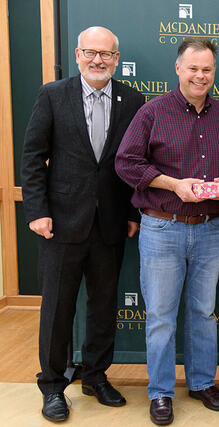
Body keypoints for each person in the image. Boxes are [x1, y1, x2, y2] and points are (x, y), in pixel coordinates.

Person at [21, 26, 145, 422]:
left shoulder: (132, 99)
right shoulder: (53, 95)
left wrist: (130, 214)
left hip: (109, 225)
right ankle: (53, 386)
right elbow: (32, 157)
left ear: (117, 59)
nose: (98, 60)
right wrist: (37, 211)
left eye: (106, 54)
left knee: (103, 306)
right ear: (77, 55)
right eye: (90, 53)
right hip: (59, 224)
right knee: (57, 309)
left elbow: (134, 163)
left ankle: (95, 376)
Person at [115, 37, 219, 425]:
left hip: (210, 229)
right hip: (162, 227)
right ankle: (161, 392)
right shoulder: (153, 111)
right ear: (178, 69)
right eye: (193, 68)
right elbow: (126, 163)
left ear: (214, 73)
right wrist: (173, 184)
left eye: (207, 70)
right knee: (162, 316)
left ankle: (202, 383)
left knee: (203, 313)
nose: (200, 76)